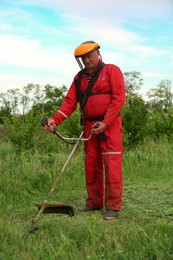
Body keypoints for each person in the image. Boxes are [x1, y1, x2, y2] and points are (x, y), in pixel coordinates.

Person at [47, 41, 126, 220]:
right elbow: (69, 103)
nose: (87, 59)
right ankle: (94, 202)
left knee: (112, 165)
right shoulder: (78, 78)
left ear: (98, 54)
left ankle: (113, 207)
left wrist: (106, 122)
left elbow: (119, 98)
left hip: (110, 125)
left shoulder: (112, 71)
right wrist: (54, 119)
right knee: (91, 165)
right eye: (83, 57)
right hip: (89, 126)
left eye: (90, 55)